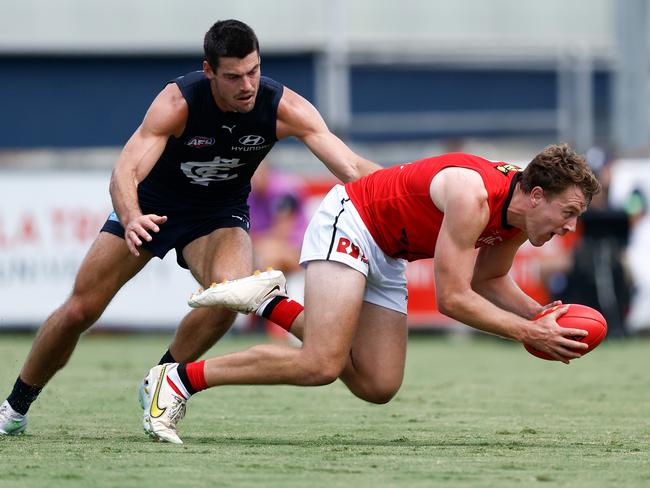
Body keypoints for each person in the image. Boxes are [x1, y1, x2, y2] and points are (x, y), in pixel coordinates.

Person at [0, 19, 380, 436]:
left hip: (218, 215)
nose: (247, 85)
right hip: (152, 209)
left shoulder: (283, 107)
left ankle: (164, 380)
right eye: (233, 76)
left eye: (253, 71)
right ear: (209, 71)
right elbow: (124, 171)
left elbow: (353, 167)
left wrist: (418, 187)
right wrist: (130, 217)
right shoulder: (177, 102)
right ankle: (15, 407)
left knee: (231, 294)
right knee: (79, 310)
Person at [142, 144, 601, 444]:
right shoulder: (474, 197)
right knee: (321, 363)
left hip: (388, 250)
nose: (570, 227)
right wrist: (528, 332)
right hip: (354, 220)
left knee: (378, 384)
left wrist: (541, 314)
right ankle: (179, 380)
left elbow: (489, 280)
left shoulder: (519, 218)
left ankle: (269, 301)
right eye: (570, 212)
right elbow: (454, 298)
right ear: (537, 194)